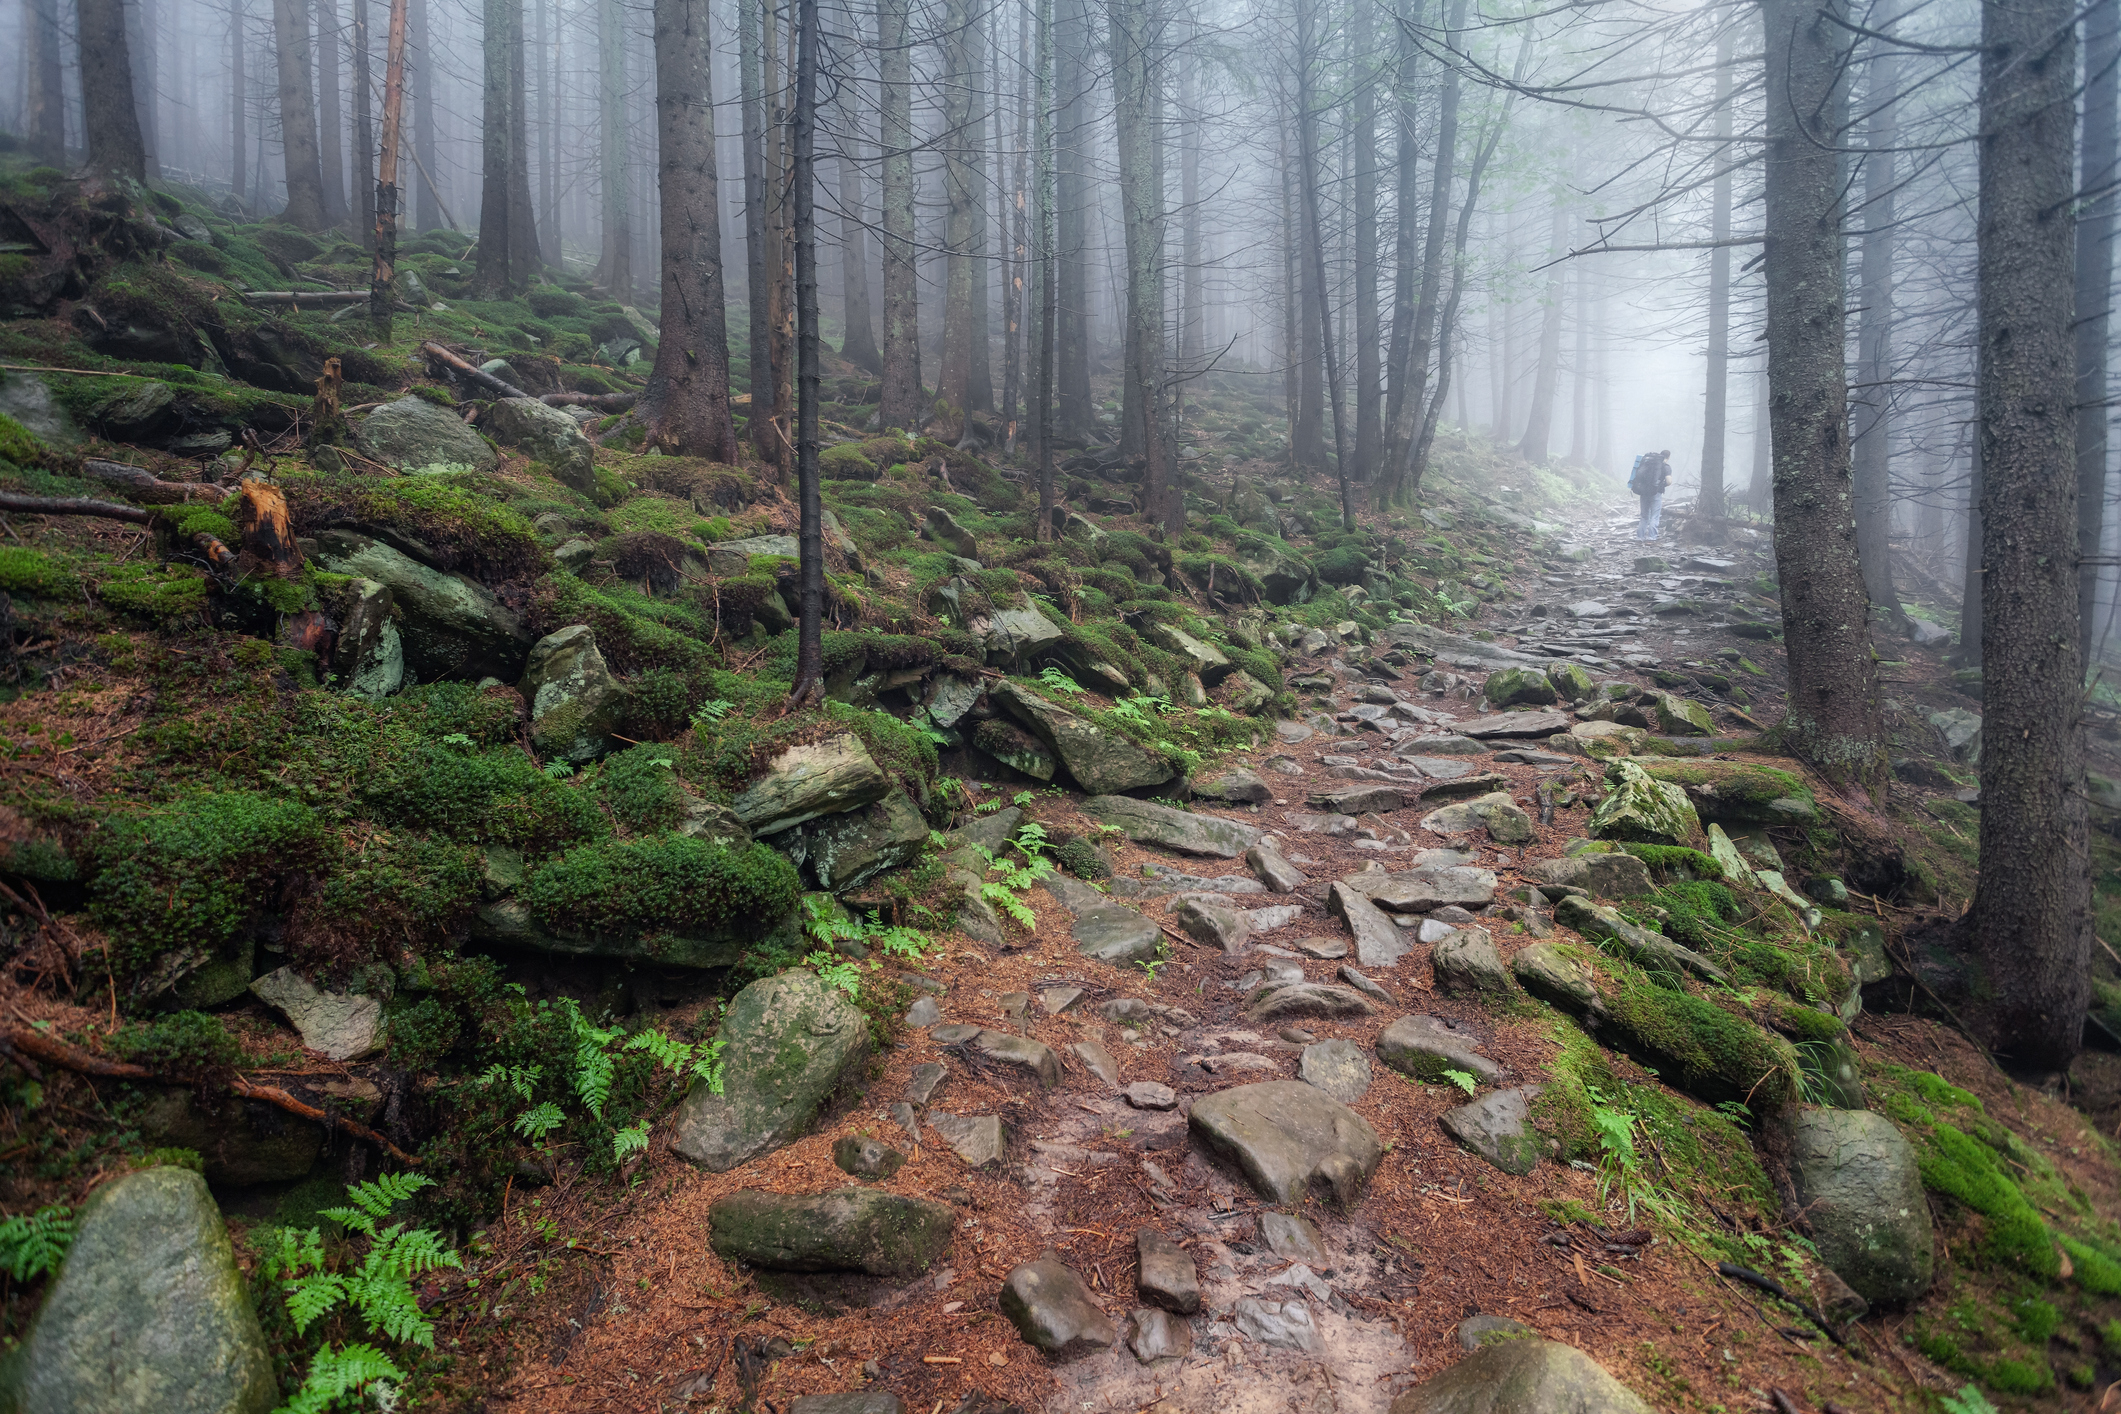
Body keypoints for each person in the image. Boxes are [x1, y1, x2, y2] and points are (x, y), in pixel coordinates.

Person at [1630, 449, 1671, 540]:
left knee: (1644, 516)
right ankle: (1652, 537)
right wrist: (1661, 484)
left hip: (1644, 492)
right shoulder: (1665, 467)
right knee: (1654, 516)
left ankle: (1640, 537)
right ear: (1668, 457)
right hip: (1656, 493)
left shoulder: (1648, 464)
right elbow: (1669, 481)